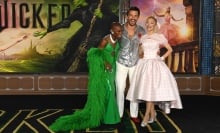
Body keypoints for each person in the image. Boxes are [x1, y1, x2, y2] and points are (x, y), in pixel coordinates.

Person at [49, 22, 122, 132]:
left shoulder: (116, 39)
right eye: (118, 31)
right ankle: (110, 119)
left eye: (121, 31)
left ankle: (106, 116)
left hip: (113, 69)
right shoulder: (105, 40)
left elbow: (115, 52)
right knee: (110, 92)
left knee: (109, 92)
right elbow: (95, 54)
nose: (120, 33)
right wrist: (105, 62)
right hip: (105, 71)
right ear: (112, 31)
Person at [126, 16, 183, 127]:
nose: (149, 25)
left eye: (151, 23)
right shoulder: (143, 37)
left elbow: (170, 49)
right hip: (144, 65)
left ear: (155, 24)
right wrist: (139, 48)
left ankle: (147, 116)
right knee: (147, 91)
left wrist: (161, 58)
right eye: (147, 23)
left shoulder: (159, 36)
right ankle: (153, 114)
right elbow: (141, 53)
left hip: (155, 65)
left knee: (150, 91)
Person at [115, 6, 146, 123]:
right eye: (131, 15)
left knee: (134, 89)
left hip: (135, 63)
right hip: (121, 63)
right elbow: (112, 43)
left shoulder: (142, 31)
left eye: (135, 15)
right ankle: (119, 114)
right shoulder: (119, 29)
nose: (133, 18)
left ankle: (134, 114)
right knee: (120, 88)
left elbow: (142, 47)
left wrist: (144, 56)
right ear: (127, 16)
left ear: (138, 17)